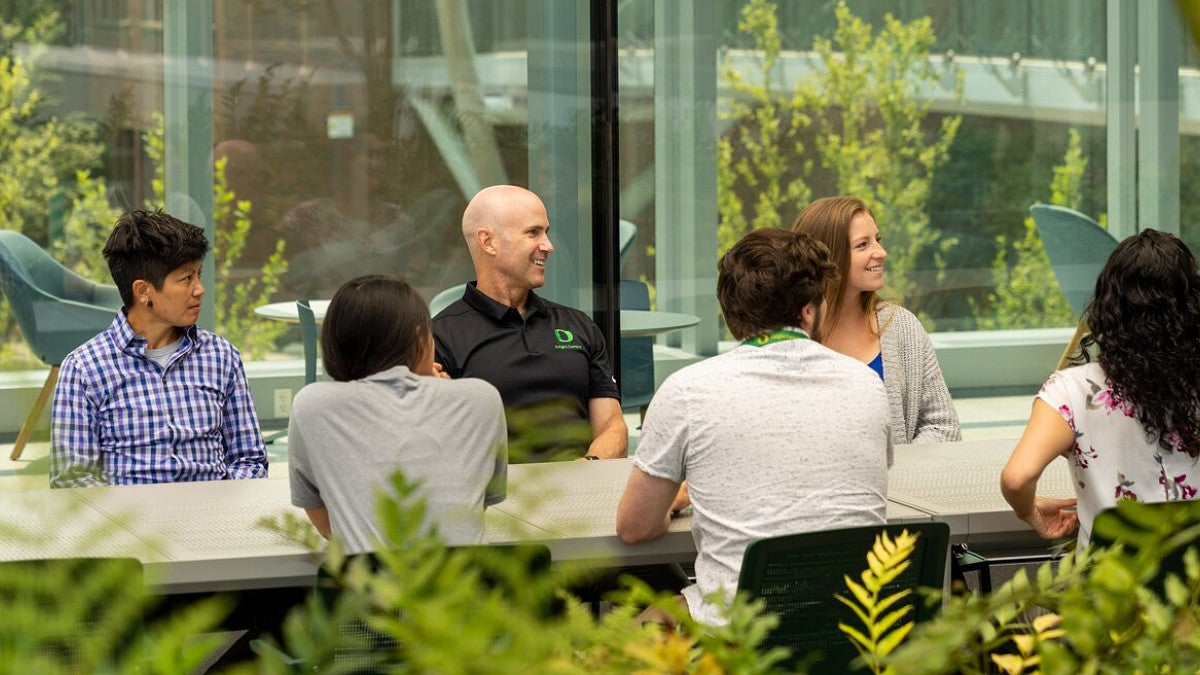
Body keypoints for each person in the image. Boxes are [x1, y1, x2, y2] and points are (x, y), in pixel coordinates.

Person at [616, 228, 891, 626]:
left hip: (738, 642)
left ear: (731, 314)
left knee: (637, 633)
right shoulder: (868, 384)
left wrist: (676, 501)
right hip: (853, 632)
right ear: (809, 311)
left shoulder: (688, 391)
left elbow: (634, 527)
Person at [1001, 229, 1200, 548]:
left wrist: (1032, 513)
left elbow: (1016, 478)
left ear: (1108, 306)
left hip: (1108, 591)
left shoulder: (1070, 390)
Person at [288, 274, 508, 553]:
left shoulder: (312, 405)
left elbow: (327, 525)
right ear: (420, 340)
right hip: (463, 589)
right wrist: (443, 389)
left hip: (366, 592)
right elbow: (474, 505)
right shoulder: (482, 399)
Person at [50, 210, 268, 487]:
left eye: (199, 275)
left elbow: (250, 460)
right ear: (143, 291)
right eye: (186, 279)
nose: (200, 289)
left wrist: (223, 504)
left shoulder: (222, 357)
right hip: (129, 522)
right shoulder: (84, 369)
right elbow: (72, 478)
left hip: (214, 515)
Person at [432, 184, 627, 462]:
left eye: (546, 232)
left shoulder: (578, 326)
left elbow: (613, 428)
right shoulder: (441, 336)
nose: (548, 246)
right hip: (499, 499)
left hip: (583, 490)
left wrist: (586, 469)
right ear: (488, 242)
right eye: (533, 232)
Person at [791, 196, 960, 444]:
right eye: (863, 245)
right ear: (827, 258)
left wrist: (894, 468)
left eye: (877, 240)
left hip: (900, 482)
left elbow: (943, 425)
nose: (881, 253)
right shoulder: (790, 336)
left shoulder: (903, 327)